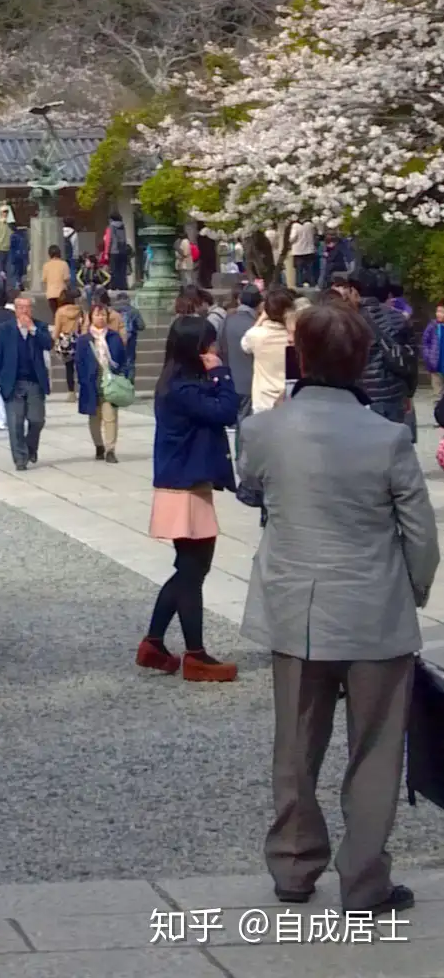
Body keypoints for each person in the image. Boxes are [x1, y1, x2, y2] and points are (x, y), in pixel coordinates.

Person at [238, 299, 439, 915]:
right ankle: (365, 881)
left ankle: (294, 866)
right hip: (374, 610)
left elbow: (250, 487)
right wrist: (411, 593)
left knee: (296, 745)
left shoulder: (263, 429)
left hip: (295, 607)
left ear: (302, 356)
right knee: (375, 752)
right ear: (361, 362)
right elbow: (421, 537)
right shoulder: (387, 438)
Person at [137, 316, 239, 682]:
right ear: (197, 349)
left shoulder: (175, 382)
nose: (214, 351)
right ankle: (193, 654)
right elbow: (225, 411)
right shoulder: (182, 388)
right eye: (210, 345)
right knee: (192, 571)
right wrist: (221, 374)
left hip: (185, 482)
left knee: (189, 570)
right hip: (184, 486)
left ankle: (155, 643)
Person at [343, 269, 416, 426]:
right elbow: (410, 359)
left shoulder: (347, 322)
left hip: (359, 398)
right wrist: (408, 392)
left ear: (354, 291)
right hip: (394, 396)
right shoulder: (398, 319)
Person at [0, 292, 52, 470]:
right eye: (21, 308)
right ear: (15, 310)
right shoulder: (5, 328)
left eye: (27, 307)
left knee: (37, 420)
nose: (24, 311)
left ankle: (31, 447)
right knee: (15, 422)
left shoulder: (39, 327)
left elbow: (48, 344)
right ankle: (20, 458)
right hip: (12, 381)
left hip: (34, 380)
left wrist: (33, 329)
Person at [74, 301, 127, 461]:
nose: (100, 318)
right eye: (97, 314)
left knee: (110, 416)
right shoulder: (84, 340)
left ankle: (111, 449)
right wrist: (83, 380)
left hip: (111, 379)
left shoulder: (114, 337)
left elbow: (123, 359)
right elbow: (79, 362)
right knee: (95, 416)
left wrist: (121, 375)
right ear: (91, 317)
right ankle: (99, 445)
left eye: (103, 314)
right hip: (92, 381)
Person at [241, 286, 297, 413]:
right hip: (290, 399)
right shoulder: (296, 335)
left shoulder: (256, 335)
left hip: (263, 401)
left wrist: (260, 319)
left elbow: (245, 344)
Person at [223, 284, 261, 421]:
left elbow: (222, 348)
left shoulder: (227, 320)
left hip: (231, 378)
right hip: (251, 381)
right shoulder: (256, 325)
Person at [53, 289, 82, 396]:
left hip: (65, 340)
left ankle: (71, 392)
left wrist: (54, 341)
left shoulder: (60, 311)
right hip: (78, 339)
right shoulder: (80, 310)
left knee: (68, 367)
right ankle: (83, 389)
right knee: (80, 366)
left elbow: (57, 328)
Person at [114, 290, 145, 381]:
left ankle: (119, 383)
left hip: (116, 338)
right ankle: (130, 383)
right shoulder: (134, 311)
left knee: (117, 361)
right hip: (131, 339)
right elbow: (141, 326)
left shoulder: (113, 311)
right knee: (130, 361)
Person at [41, 244, 72, 321]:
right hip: (62, 293)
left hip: (50, 293)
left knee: (55, 314)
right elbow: (66, 278)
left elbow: (44, 279)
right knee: (63, 314)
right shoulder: (64, 264)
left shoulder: (46, 265)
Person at [102, 210, 130, 292]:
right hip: (123, 251)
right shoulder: (122, 226)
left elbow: (109, 240)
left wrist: (106, 252)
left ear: (111, 219)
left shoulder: (111, 227)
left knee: (114, 270)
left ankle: (114, 285)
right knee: (122, 270)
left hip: (113, 251)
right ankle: (123, 285)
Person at [422, 302, 444, 402]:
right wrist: (428, 357)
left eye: (442, 312)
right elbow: (425, 342)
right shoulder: (433, 326)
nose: (438, 314)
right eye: (437, 311)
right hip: (436, 366)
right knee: (437, 396)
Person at [288, 219, 316, 289]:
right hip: (309, 250)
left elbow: (292, 238)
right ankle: (311, 282)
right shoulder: (310, 225)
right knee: (310, 268)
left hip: (298, 251)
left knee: (299, 269)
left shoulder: (295, 226)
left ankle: (299, 284)